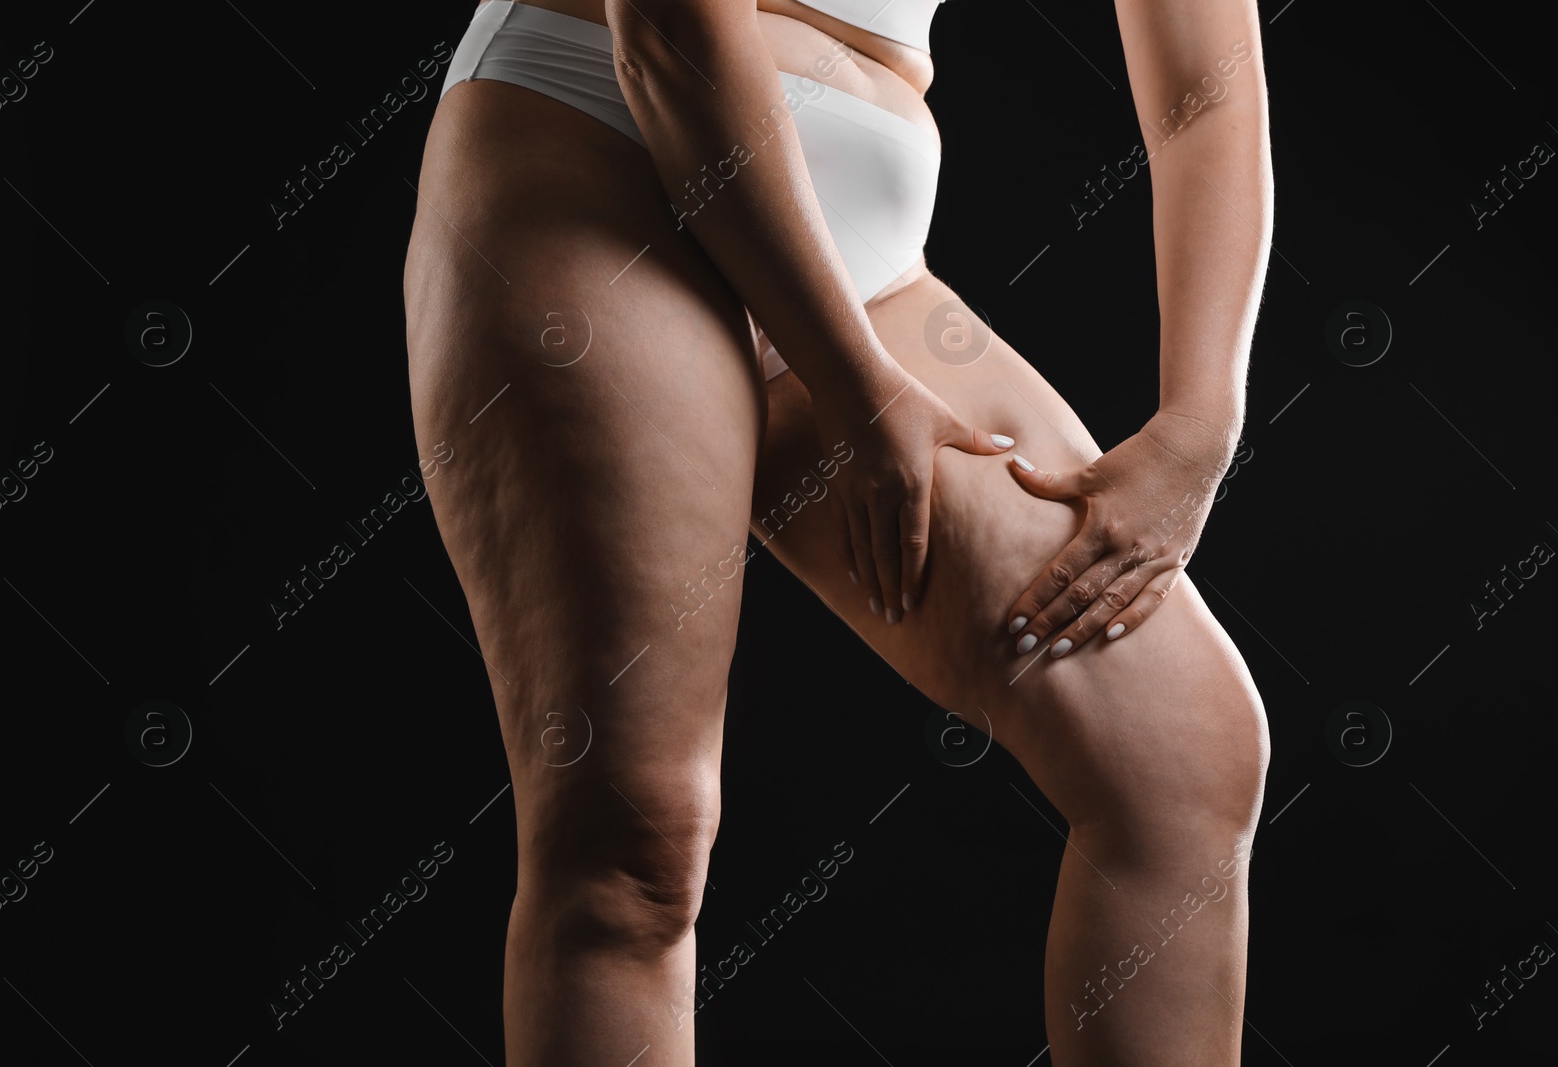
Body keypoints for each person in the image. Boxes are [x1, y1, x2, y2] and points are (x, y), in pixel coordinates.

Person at [402, 0, 1272, 1063]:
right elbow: (670, 27)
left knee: (1182, 761)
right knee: (630, 843)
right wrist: (853, 385)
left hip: (865, 224)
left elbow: (1206, 86)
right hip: (602, 135)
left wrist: (1198, 418)